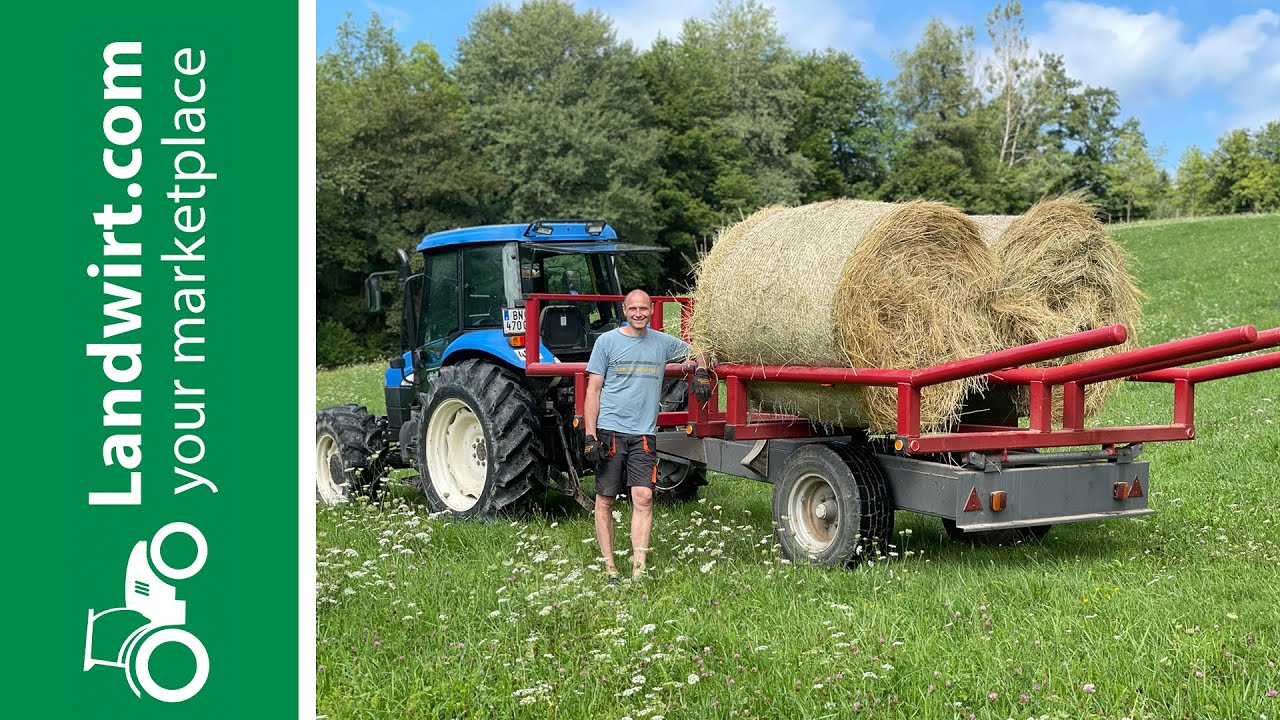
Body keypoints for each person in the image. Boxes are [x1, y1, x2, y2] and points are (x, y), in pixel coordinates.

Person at [583, 289, 711, 584]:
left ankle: (639, 569)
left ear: (652, 311)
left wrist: (701, 371)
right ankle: (610, 568)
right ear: (624, 310)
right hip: (611, 431)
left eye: (644, 309)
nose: (638, 313)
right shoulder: (607, 343)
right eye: (633, 309)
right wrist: (591, 435)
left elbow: (698, 351)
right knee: (605, 499)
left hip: (643, 433)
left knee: (644, 496)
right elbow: (593, 390)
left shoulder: (662, 343)